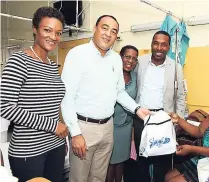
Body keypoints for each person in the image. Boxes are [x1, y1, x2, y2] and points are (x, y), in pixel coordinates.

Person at [61, 15, 150, 182]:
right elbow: (66, 98)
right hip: (84, 128)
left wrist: (137, 109)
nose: (108, 34)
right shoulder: (77, 55)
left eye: (114, 31)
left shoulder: (116, 59)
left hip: (108, 128)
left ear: (116, 37)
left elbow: (119, 93)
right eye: (105, 28)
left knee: (99, 178)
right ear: (95, 28)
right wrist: (75, 133)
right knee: (79, 178)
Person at [0, 7, 68, 182]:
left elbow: (50, 104)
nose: (53, 37)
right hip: (28, 152)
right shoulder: (18, 61)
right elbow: (5, 107)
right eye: (47, 30)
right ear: (35, 29)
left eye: (58, 33)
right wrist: (53, 126)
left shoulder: (52, 65)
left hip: (56, 145)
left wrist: (60, 140)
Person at [134, 30, 185, 182]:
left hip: (164, 120)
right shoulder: (140, 62)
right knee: (142, 159)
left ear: (168, 47)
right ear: (151, 44)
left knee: (161, 163)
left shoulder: (176, 68)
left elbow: (180, 96)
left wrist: (178, 121)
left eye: (163, 44)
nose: (159, 47)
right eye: (156, 43)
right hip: (141, 119)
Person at [105, 45, 139, 182]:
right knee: (110, 163)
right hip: (111, 126)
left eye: (134, 58)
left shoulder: (135, 77)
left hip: (126, 127)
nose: (130, 61)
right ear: (120, 57)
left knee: (121, 162)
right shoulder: (111, 75)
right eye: (127, 56)